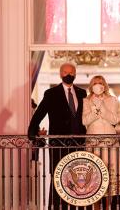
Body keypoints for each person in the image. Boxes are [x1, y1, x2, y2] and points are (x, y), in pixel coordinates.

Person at [27, 63, 87, 210]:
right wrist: (33, 133)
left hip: (79, 144)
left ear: (75, 74)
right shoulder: (51, 93)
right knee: (58, 179)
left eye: (72, 72)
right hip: (58, 144)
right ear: (61, 74)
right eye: (66, 72)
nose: (69, 74)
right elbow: (39, 114)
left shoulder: (82, 93)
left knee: (78, 179)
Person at [82, 75, 120, 209]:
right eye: (95, 83)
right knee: (95, 176)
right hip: (93, 142)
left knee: (110, 174)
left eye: (101, 83)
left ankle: (108, 207)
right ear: (91, 86)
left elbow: (114, 120)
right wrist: (95, 111)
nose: (98, 85)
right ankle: (95, 207)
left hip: (110, 142)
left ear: (104, 85)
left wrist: (102, 107)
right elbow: (85, 121)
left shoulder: (112, 100)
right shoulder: (86, 101)